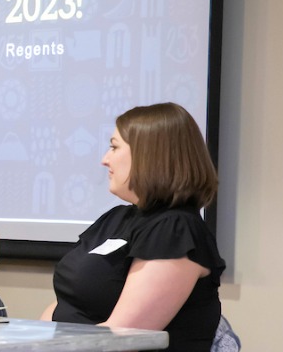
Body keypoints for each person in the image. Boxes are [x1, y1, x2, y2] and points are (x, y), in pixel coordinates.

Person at [42, 102, 225, 351]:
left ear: (149, 155)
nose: (105, 160)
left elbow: (123, 336)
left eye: (114, 147)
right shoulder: (116, 218)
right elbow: (66, 304)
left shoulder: (175, 230)